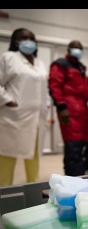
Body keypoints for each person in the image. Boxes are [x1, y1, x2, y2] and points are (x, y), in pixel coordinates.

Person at [0, 28, 48, 186]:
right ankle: (4, 195)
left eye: (31, 38)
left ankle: (33, 191)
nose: (28, 41)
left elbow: (43, 88)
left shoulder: (40, 63)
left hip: (36, 119)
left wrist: (46, 105)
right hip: (13, 118)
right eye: (23, 37)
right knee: (7, 158)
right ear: (15, 41)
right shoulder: (9, 58)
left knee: (33, 158)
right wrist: (7, 99)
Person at [49, 40, 88, 176]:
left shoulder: (81, 67)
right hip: (69, 110)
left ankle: (79, 176)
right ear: (68, 49)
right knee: (73, 146)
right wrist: (62, 107)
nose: (77, 50)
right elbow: (54, 86)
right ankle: (73, 177)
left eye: (80, 48)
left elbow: (84, 91)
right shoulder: (61, 64)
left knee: (80, 146)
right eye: (74, 47)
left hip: (82, 111)